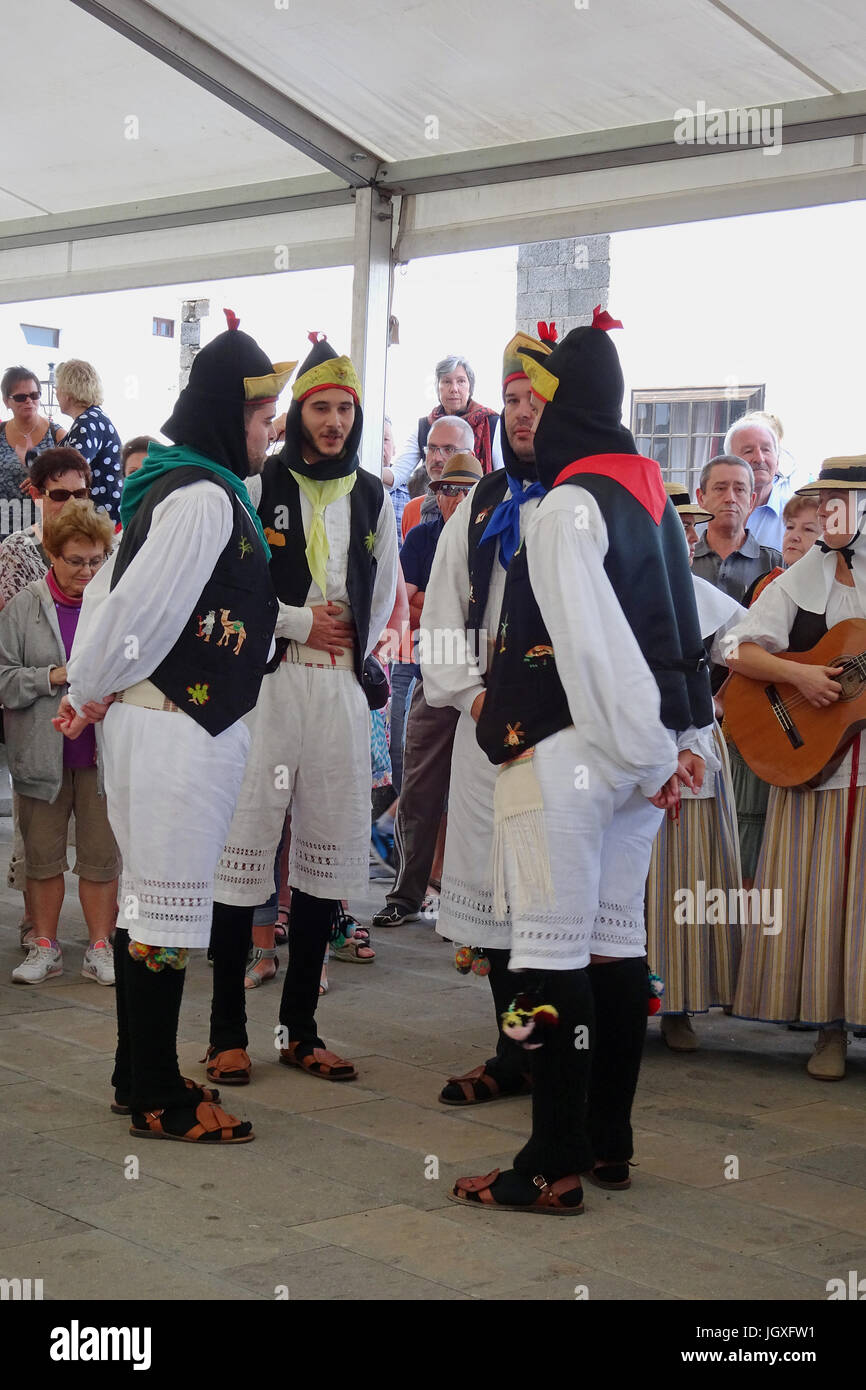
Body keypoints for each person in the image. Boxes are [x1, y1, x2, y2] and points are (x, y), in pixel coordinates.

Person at [449, 309, 715, 1214]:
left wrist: (646, 754)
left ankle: (550, 1163)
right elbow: (682, 632)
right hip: (639, 761)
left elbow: (595, 651)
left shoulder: (569, 504)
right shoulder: (650, 497)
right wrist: (677, 750)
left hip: (569, 751)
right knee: (612, 946)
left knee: (548, 956)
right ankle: (607, 1141)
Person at [54, 310, 292, 1142]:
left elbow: (113, 601)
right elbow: (136, 617)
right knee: (163, 911)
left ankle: (136, 1069)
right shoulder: (198, 496)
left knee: (151, 906)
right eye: (264, 420)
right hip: (174, 728)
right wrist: (88, 686)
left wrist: (90, 690)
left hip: (166, 725)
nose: (270, 434)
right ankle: (157, 1092)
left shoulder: (179, 482)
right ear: (234, 415)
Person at [206, 334, 398, 1089]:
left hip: (339, 687)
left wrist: (356, 652)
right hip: (272, 684)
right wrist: (295, 622)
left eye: (345, 409)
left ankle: (299, 1029)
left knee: (323, 861)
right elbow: (234, 588)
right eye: (320, 407)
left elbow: (383, 589)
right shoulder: (258, 486)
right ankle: (226, 1034)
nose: (334, 422)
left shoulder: (374, 493)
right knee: (243, 853)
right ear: (296, 412)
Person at [417, 328, 553, 1103]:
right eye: (511, 401)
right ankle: (515, 1053)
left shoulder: (585, 500)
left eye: (537, 400)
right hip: (483, 727)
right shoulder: (480, 505)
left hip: (560, 738)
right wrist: (472, 699)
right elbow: (441, 616)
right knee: (495, 902)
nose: (523, 414)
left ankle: (559, 1057)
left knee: (546, 897)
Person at [728, 457, 866, 1080]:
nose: (832, 515)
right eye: (826, 503)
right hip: (816, 768)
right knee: (825, 901)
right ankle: (828, 1029)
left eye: (844, 503)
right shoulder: (798, 579)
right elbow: (737, 648)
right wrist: (800, 675)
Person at [0, 501, 119, 986]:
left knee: (101, 857)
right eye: (76, 561)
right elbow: (4, 680)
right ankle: (44, 945)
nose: (87, 572)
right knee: (43, 855)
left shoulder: (113, 603)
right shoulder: (26, 604)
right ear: (52, 554)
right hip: (40, 754)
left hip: (100, 754)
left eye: (96, 561)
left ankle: (99, 947)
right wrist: (55, 676)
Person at [646, 483, 745, 1050]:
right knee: (633, 881)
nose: (680, 536)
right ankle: (623, 996)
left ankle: (679, 1003)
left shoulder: (709, 598)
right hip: (632, 750)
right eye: (672, 524)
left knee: (688, 875)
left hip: (696, 748)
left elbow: (754, 651)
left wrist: (718, 707)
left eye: (688, 528)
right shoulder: (623, 591)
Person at [371, 452, 483, 929]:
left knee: (476, 791)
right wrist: (441, 605)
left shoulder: (497, 534)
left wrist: (435, 603)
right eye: (445, 488)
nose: (452, 496)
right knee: (419, 787)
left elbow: (435, 604)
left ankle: (468, 899)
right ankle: (407, 891)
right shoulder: (422, 535)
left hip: (485, 674)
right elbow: (409, 605)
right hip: (432, 673)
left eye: (463, 489)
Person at [0, 447, 94, 945]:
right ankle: (36, 928)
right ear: (37, 495)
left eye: (81, 492)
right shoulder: (17, 550)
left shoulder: (108, 550)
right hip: (36, 721)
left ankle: (102, 937)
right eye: (60, 494)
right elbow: (12, 636)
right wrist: (55, 675)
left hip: (93, 725)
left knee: (101, 843)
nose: (71, 502)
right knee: (34, 835)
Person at [725, 495, 822, 888]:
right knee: (751, 834)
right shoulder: (770, 582)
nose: (795, 537)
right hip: (768, 718)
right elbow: (741, 653)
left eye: (808, 529)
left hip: (812, 728)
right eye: (790, 528)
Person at [391, 354, 499, 495]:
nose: (454, 389)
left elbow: (503, 476)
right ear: (437, 387)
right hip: (433, 507)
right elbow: (398, 474)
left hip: (480, 508)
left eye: (461, 381)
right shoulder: (425, 426)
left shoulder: (491, 423)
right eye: (446, 382)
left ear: (470, 387)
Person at [692, 455, 781, 603]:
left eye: (739, 489)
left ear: (752, 501)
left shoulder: (775, 564)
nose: (730, 498)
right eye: (720, 488)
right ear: (701, 498)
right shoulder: (683, 561)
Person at [55, 359, 123, 525]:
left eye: (57, 386)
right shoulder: (92, 419)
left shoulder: (87, 423)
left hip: (99, 518)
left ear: (68, 391)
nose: (55, 392)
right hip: (100, 515)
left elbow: (72, 469)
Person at [0, 367, 66, 540]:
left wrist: (42, 477)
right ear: (7, 401)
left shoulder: (57, 434)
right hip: (5, 529)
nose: (29, 401)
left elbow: (72, 479)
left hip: (46, 530)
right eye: (21, 397)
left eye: (34, 395)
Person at [400, 415, 475, 539]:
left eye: (449, 449)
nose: (437, 458)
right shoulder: (412, 509)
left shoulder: (484, 507)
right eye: (432, 448)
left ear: (469, 456)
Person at [725, 415, 792, 551]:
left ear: (777, 461)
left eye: (766, 450)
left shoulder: (795, 516)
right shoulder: (708, 515)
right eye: (748, 451)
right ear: (729, 462)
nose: (759, 458)